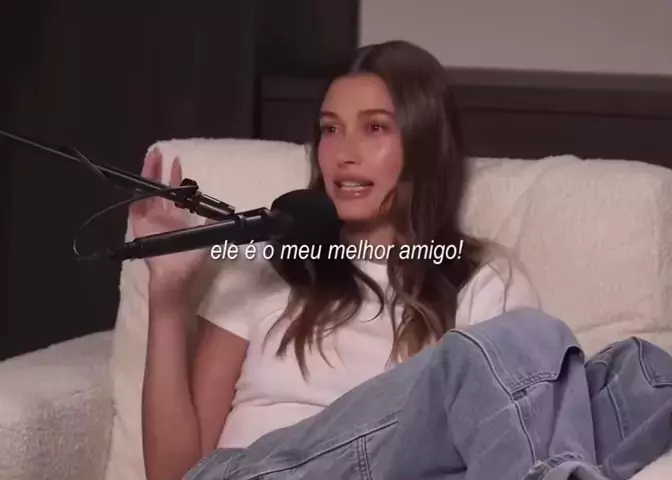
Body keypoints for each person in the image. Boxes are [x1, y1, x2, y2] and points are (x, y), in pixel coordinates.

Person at [134, 41, 672, 480]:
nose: (344, 153)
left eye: (374, 128)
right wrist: (167, 294)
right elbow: (177, 473)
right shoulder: (271, 264)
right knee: (517, 347)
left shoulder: (482, 281)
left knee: (635, 375)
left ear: (421, 145)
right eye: (330, 128)